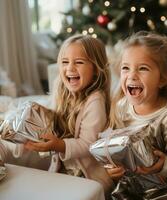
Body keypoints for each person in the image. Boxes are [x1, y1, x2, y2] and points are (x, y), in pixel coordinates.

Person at [0, 34, 113, 193]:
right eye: (65, 62)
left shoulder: (95, 101)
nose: (70, 68)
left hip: (87, 176)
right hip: (62, 168)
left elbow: (88, 144)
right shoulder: (61, 89)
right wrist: (29, 137)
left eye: (79, 62)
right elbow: (53, 121)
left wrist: (57, 145)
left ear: (95, 69)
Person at [106, 31, 167, 199]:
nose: (132, 75)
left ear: (162, 80)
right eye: (126, 68)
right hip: (134, 181)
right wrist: (114, 166)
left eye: (142, 68)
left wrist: (163, 165)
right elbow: (117, 144)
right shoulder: (120, 107)